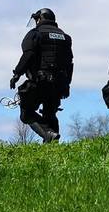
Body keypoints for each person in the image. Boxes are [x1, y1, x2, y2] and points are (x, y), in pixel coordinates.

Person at [10, 8, 73, 143]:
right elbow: (69, 63)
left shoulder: (35, 34)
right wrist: (67, 84)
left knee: (26, 113)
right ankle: (52, 143)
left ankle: (48, 134)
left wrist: (16, 74)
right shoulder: (66, 37)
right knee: (50, 113)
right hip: (59, 83)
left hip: (40, 81)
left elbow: (28, 55)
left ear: (40, 18)